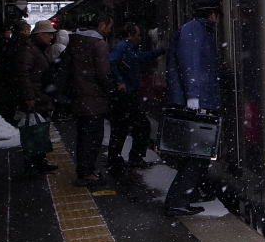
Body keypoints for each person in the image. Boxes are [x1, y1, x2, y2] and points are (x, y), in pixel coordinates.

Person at [164, 0, 222, 216]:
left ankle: (190, 193)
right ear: (213, 15)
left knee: (199, 153)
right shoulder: (193, 31)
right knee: (197, 153)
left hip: (203, 98)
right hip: (198, 100)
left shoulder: (197, 30)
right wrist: (193, 95)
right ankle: (177, 201)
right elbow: (191, 64)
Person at [107, 22, 164, 169]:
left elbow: (140, 57)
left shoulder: (128, 48)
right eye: (138, 35)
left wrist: (159, 51)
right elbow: (112, 62)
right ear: (131, 35)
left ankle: (118, 159)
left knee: (124, 128)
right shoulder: (122, 47)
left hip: (127, 96)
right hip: (125, 96)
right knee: (139, 126)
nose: (140, 38)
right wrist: (120, 82)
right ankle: (131, 159)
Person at [67, 13, 114, 186]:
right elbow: (103, 73)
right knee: (93, 136)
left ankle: (84, 170)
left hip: (79, 97)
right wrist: (111, 89)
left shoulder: (75, 41)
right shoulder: (98, 44)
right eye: (109, 26)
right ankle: (87, 172)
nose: (110, 30)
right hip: (93, 98)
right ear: (102, 25)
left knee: (83, 136)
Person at [14, 20, 59, 174]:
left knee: (39, 129)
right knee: (34, 131)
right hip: (34, 97)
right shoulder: (29, 50)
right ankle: (33, 163)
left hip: (40, 96)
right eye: (49, 34)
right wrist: (29, 96)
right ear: (39, 34)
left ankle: (39, 161)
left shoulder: (37, 49)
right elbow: (23, 74)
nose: (51, 38)